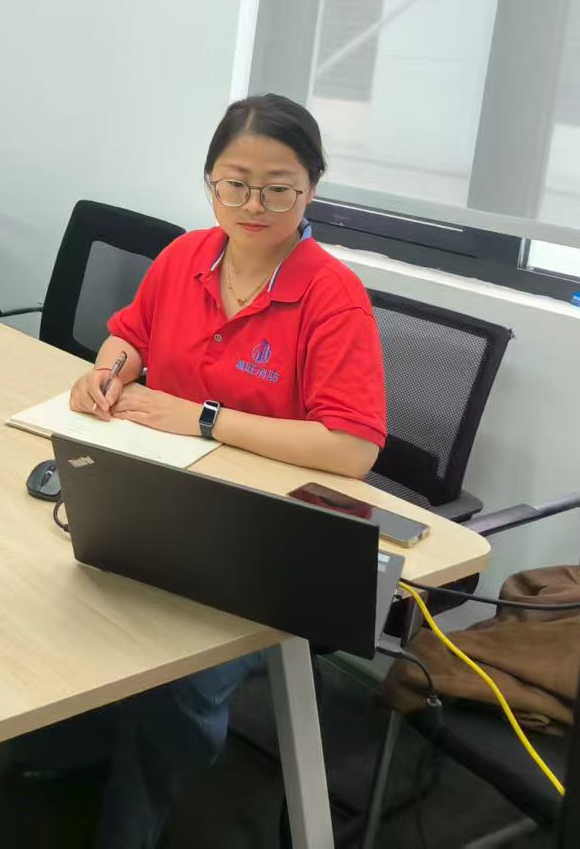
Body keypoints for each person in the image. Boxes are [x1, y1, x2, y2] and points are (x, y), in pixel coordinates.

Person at [70, 93, 387, 849]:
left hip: (267, 529)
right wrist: (108, 372)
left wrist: (205, 418)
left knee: (179, 676)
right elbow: (130, 334)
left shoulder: (331, 295)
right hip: (168, 495)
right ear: (210, 180)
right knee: (72, 598)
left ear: (311, 189)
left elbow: (352, 447)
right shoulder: (186, 256)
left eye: (278, 189)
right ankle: (75, 742)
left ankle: (133, 814)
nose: (252, 205)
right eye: (234, 184)